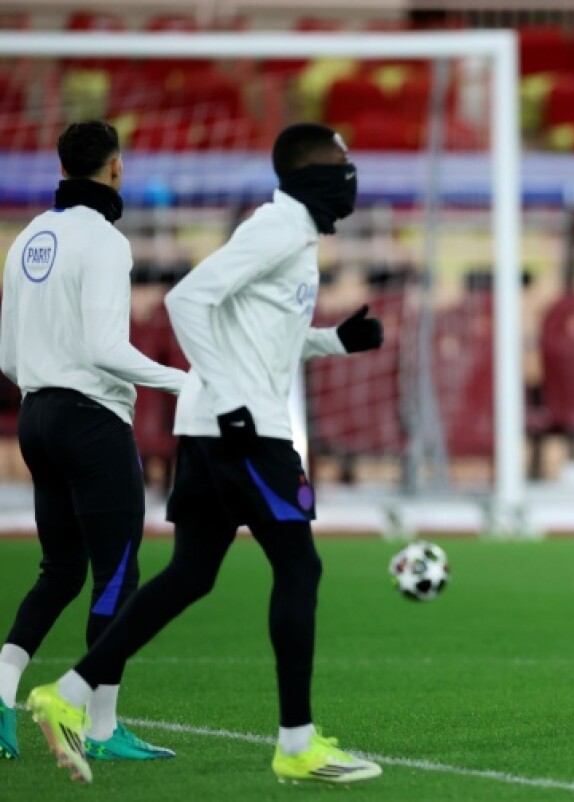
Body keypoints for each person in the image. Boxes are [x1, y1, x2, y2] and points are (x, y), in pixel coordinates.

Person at [27, 122, 387, 785]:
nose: (351, 175)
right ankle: (297, 744)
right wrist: (230, 399)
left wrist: (337, 340)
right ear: (313, 174)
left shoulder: (296, 237)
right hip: (244, 430)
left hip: (217, 428)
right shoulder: (277, 229)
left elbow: (267, 339)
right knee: (299, 568)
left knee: (191, 573)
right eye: (342, 163)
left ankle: (67, 696)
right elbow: (186, 299)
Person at [0, 120, 184, 763]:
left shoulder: (26, 239)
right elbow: (108, 350)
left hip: (36, 418)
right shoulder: (105, 241)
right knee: (118, 575)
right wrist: (187, 382)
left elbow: (7, 356)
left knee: (60, 569)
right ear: (115, 168)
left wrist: (46, 389)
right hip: (89, 423)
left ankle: (1, 691)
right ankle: (102, 730)